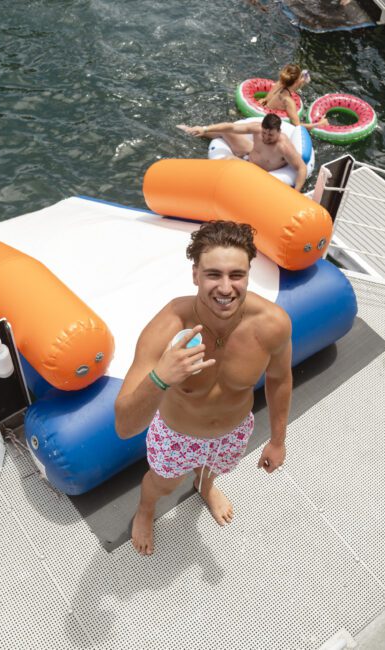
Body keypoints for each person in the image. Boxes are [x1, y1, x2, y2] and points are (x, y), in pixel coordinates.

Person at [114, 221, 293, 556]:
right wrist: (161, 377)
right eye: (213, 275)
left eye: (236, 275)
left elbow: (280, 378)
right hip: (177, 435)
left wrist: (278, 440)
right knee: (162, 484)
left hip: (233, 430)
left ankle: (205, 485)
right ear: (195, 274)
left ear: (249, 273)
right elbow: (124, 427)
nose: (225, 288)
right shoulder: (168, 326)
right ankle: (146, 510)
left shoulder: (272, 324)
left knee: (213, 469)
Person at [177, 113, 308, 192]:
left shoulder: (283, 147)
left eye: (271, 135)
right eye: (264, 133)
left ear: (279, 132)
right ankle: (194, 131)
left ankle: (197, 182)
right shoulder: (257, 129)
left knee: (228, 160)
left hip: (259, 170)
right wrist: (205, 128)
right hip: (249, 153)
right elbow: (232, 126)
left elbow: (301, 168)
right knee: (226, 131)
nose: (266, 138)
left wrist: (296, 192)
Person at [258, 63, 329, 130]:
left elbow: (291, 87)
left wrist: (301, 82)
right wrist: (320, 124)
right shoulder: (288, 101)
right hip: (270, 125)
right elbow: (297, 125)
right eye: (300, 77)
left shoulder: (279, 84)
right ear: (296, 82)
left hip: (262, 115)